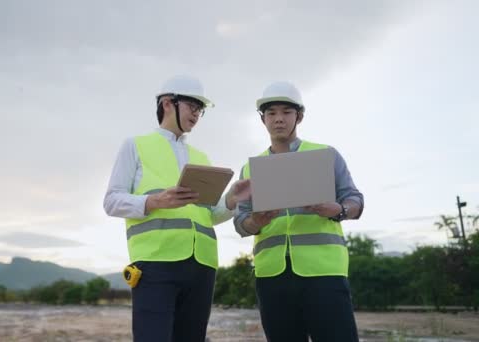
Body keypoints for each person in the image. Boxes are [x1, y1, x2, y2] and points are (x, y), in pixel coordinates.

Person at [104, 75, 250, 342]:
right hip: (155, 264)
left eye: (200, 109)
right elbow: (111, 201)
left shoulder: (201, 158)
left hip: (202, 266)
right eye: (192, 106)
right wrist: (153, 201)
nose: (197, 114)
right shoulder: (135, 146)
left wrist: (230, 200)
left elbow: (207, 215)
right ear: (168, 103)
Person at [234, 81, 365, 342]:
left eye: (286, 112)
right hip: (272, 276)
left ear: (299, 116)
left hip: (324, 273)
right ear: (263, 119)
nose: (278, 119)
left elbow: (355, 201)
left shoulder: (326, 155)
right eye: (271, 113)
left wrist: (337, 210)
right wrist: (255, 222)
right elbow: (240, 223)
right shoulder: (250, 169)